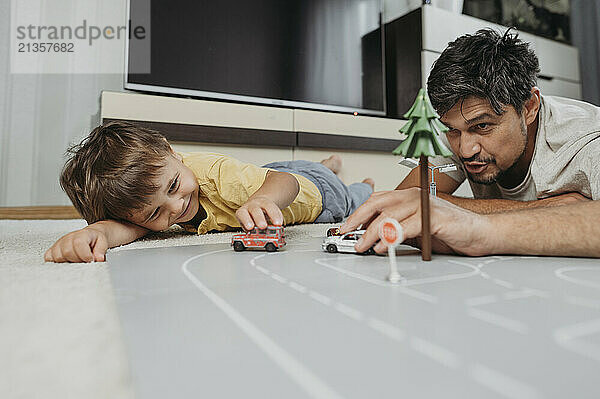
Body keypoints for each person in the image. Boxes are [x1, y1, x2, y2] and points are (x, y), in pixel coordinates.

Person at [342, 28, 600, 257]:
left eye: (483, 126)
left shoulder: (588, 139)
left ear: (529, 107)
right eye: (452, 130)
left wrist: (478, 229)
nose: (465, 150)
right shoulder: (461, 131)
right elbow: (403, 206)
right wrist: (543, 209)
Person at [44, 121, 374, 263]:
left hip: (317, 194)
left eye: (174, 186)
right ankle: (325, 163)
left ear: (172, 151)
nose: (175, 207)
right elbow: (130, 227)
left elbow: (286, 184)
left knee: (356, 198)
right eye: (155, 214)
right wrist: (95, 232)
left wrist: (264, 199)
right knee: (269, 173)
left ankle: (342, 173)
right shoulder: (153, 200)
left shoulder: (214, 174)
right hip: (261, 178)